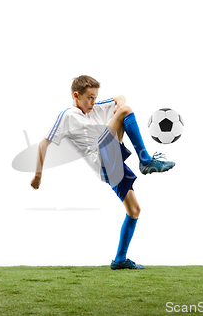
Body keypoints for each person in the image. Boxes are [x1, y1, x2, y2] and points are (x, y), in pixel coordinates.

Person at [30, 75, 175, 270]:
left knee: (134, 211)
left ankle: (120, 260)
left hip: (111, 165)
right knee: (125, 112)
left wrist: (118, 104)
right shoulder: (68, 115)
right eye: (89, 97)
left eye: (95, 97)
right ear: (76, 95)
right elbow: (43, 143)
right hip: (102, 159)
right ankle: (146, 161)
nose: (93, 102)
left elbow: (119, 97)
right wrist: (38, 175)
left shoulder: (95, 108)